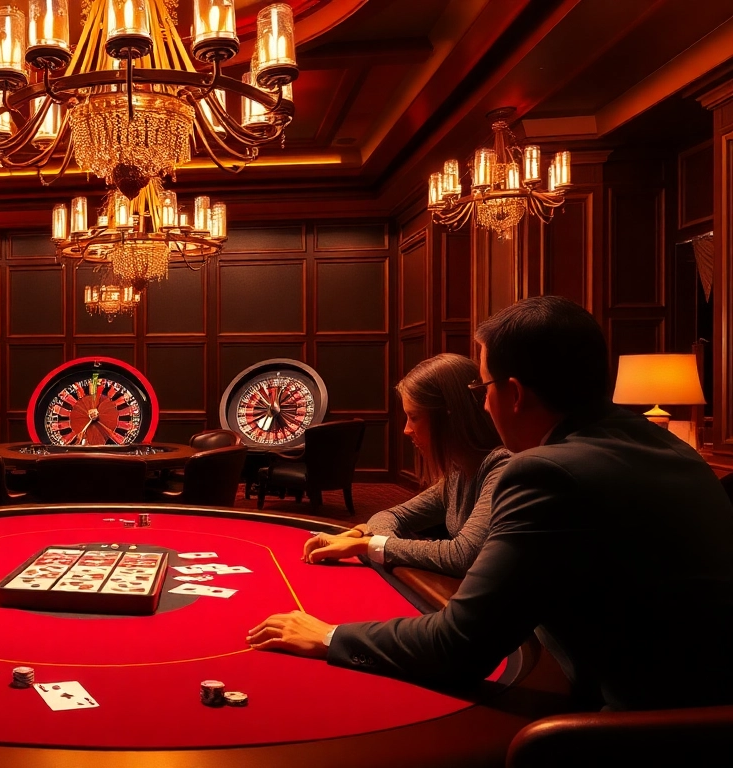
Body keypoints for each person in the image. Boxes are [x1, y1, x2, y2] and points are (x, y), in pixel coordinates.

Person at [247, 296, 733, 711]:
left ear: (514, 393)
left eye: (482, 389)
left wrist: (329, 635)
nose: (481, 405)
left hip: (642, 731)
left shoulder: (546, 473)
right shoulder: (672, 448)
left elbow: (458, 648)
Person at [300, 354, 508, 577]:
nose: (406, 430)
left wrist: (367, 544)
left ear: (449, 418)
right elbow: (389, 516)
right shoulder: (457, 472)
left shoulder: (502, 470)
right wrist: (364, 533)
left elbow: (462, 556)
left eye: (414, 417)